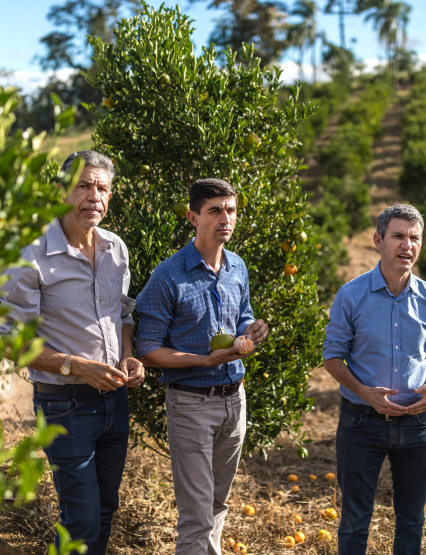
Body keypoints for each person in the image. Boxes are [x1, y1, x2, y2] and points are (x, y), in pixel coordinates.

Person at [0, 150, 145, 555]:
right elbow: (10, 341)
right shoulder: (29, 257)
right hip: (65, 406)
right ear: (62, 192)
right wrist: (75, 365)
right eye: (83, 185)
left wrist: (128, 354)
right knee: (80, 516)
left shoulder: (116, 249)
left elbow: (124, 313)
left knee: (105, 508)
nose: (93, 196)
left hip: (114, 401)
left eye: (102, 188)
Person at [134, 178, 268, 555]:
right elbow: (147, 348)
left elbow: (242, 315)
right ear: (193, 217)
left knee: (218, 505)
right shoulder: (168, 276)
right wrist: (204, 360)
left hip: (234, 401)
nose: (226, 218)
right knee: (196, 515)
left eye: (231, 210)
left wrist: (253, 329)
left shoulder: (237, 266)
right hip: (191, 403)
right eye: (215, 211)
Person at [322, 203, 426, 555]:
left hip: (416, 424)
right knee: (354, 520)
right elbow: (331, 357)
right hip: (362, 422)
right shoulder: (351, 295)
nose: (406, 245)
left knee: (412, 519)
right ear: (378, 240)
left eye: (414, 238)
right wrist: (364, 391)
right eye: (398, 236)